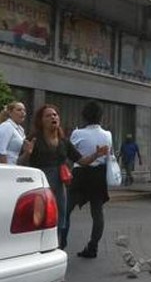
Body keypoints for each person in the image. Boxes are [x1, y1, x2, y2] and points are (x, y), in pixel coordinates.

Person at [22, 104, 109, 249]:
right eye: (48, 115)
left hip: (59, 186)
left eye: (55, 114)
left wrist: (96, 155)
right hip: (40, 185)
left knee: (60, 216)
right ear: (41, 120)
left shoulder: (64, 141)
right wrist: (27, 153)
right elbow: (20, 163)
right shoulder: (33, 138)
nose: (53, 117)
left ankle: (55, 246)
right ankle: (35, 248)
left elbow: (81, 161)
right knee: (38, 218)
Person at [64, 101, 114, 257]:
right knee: (97, 212)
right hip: (99, 175)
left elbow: (70, 155)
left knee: (66, 211)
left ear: (84, 116)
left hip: (80, 174)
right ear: (101, 116)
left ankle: (61, 244)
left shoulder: (78, 133)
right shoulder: (107, 135)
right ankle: (93, 247)